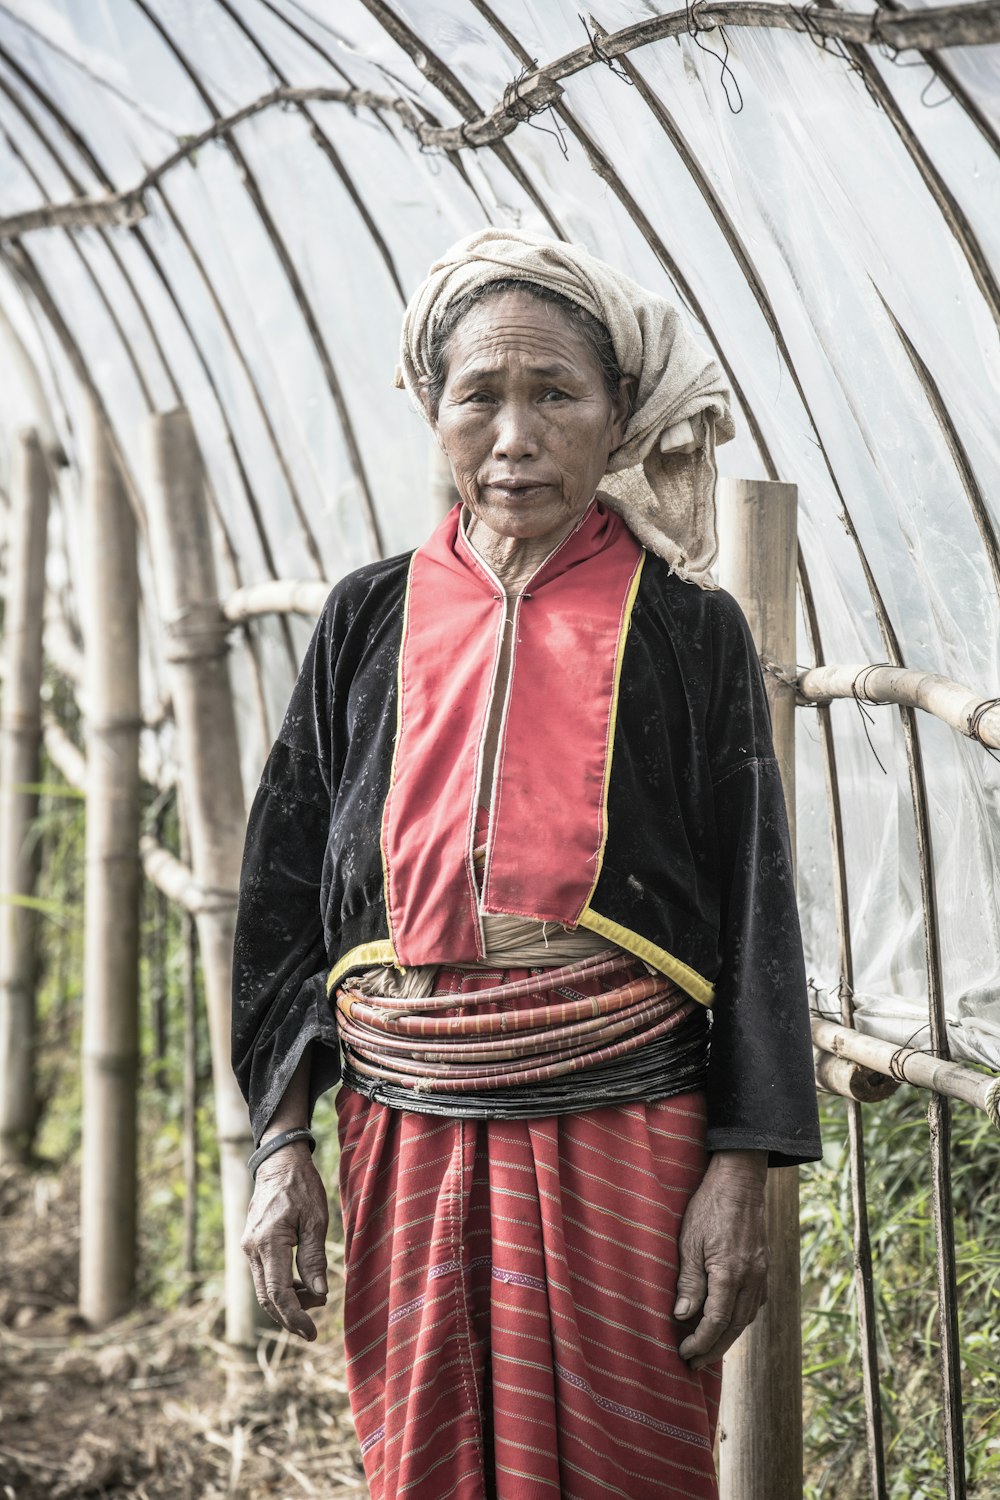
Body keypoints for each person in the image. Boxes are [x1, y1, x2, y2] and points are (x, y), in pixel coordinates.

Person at [232, 229, 821, 1500]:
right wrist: (281, 1146)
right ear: (431, 411)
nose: (516, 436)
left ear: (619, 418)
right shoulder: (368, 616)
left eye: (557, 393)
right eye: (479, 396)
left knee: (624, 1462)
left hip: (627, 1120)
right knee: (429, 1457)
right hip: (404, 1118)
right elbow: (286, 891)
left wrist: (743, 1164)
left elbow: (757, 901)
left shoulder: (687, 629)